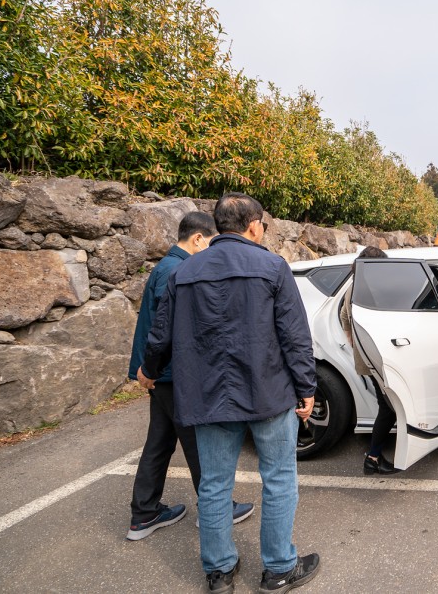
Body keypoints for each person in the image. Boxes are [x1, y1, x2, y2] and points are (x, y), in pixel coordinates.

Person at [140, 193, 321, 593]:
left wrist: (148, 371)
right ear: (254, 225)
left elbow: (160, 335)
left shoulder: (183, 273)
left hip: (209, 396)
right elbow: (295, 336)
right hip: (268, 393)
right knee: (278, 479)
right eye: (264, 226)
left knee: (215, 484)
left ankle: (220, 572)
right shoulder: (272, 267)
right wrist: (306, 387)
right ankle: (278, 569)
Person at [126, 212, 255, 541]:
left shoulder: (166, 266)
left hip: (161, 374)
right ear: (198, 239)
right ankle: (217, 509)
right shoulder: (180, 269)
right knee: (200, 444)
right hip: (173, 375)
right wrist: (154, 369)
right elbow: (167, 330)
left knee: (160, 442)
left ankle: (144, 513)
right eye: (211, 243)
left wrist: (147, 369)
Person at [339, 246, 399, 475]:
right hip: (378, 359)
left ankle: (374, 456)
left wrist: (354, 342)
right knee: (389, 408)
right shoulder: (375, 291)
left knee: (387, 406)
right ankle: (372, 458)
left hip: (369, 358)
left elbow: (345, 317)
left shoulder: (353, 288)